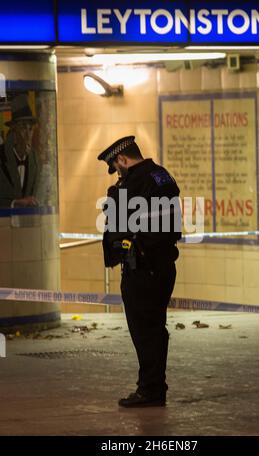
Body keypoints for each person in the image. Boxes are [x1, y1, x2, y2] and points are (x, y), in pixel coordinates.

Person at [98, 136, 181, 408]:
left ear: (122, 159)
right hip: (163, 268)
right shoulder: (161, 175)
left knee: (145, 331)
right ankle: (154, 386)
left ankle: (150, 389)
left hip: (142, 270)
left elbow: (120, 224)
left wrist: (114, 199)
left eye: (116, 166)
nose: (117, 172)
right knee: (155, 329)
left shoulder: (133, 183)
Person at [0, 94, 39, 208]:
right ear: (14, 131)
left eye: (30, 129)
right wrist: (14, 203)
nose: (27, 135)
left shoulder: (35, 160)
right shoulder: (2, 157)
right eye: (23, 128)